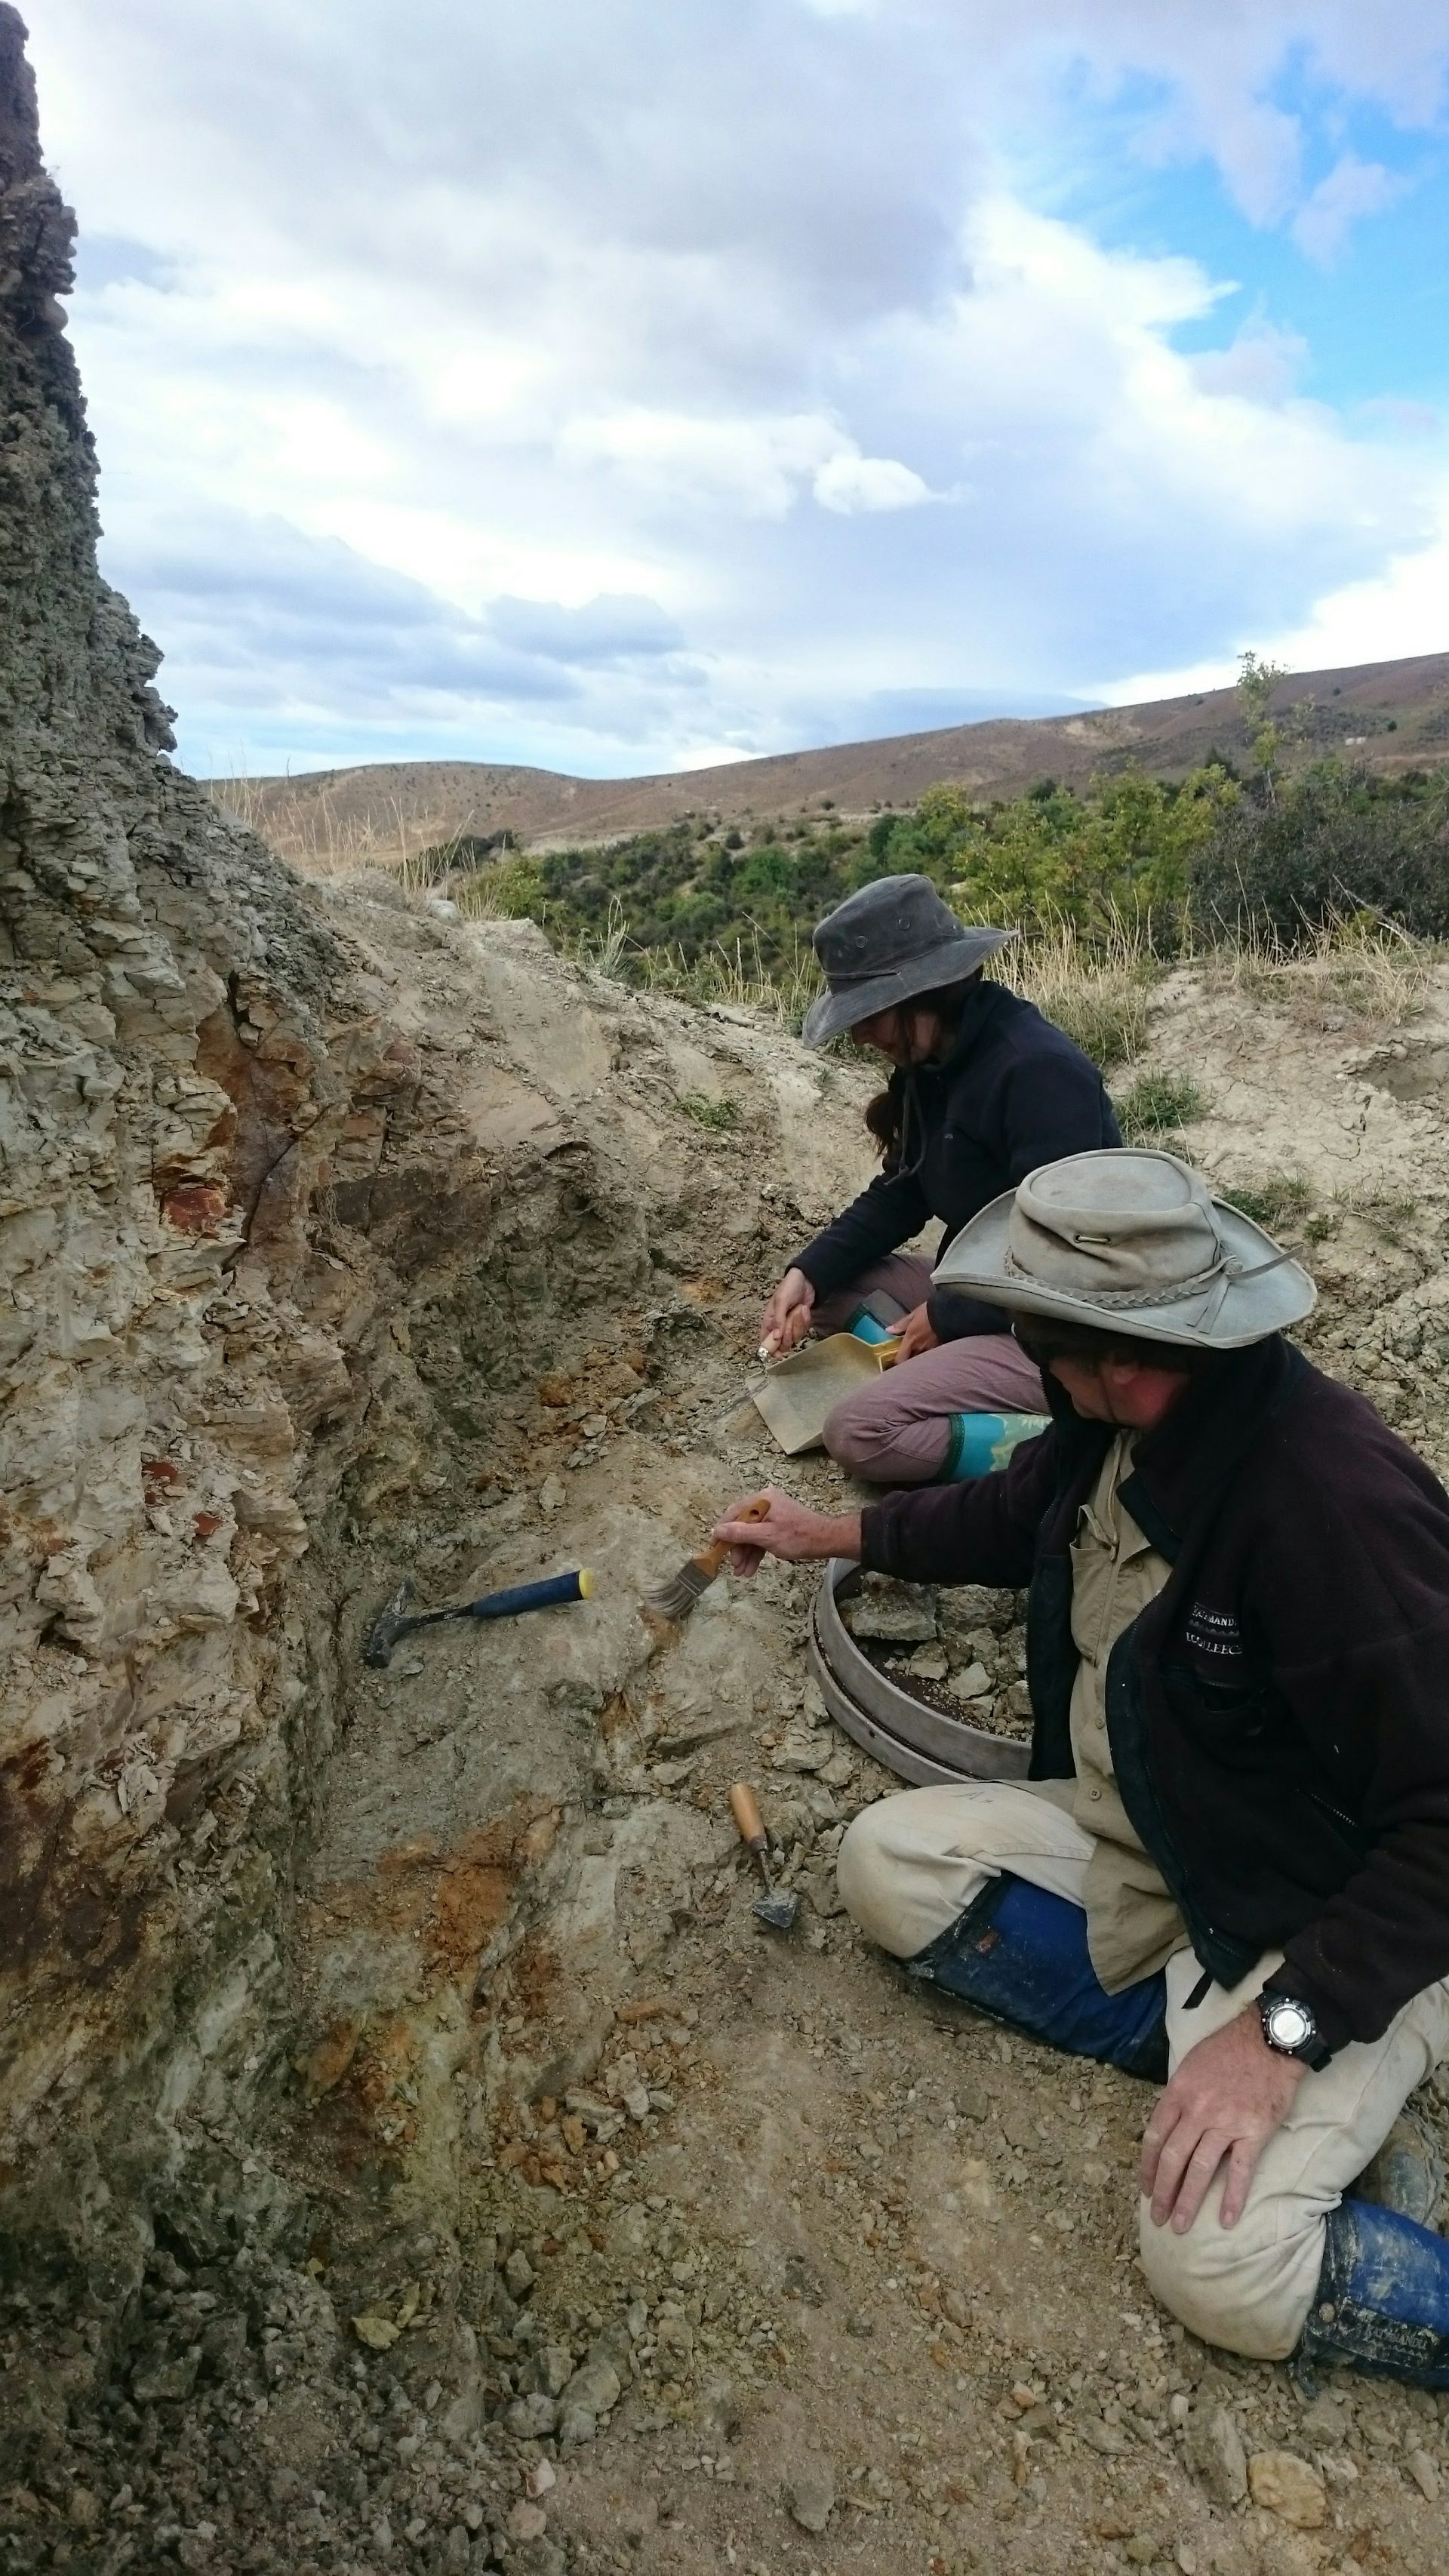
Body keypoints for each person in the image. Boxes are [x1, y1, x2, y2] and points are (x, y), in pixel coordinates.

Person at [717, 1148, 1449, 2383]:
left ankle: (1282, 2079)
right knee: (889, 1865)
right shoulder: (1126, 1427)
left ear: (1118, 1353)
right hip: (1171, 1841)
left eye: (1035, 1332)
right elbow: (1018, 1515)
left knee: (1213, 2262)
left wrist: (1277, 2035)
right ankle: (1205, 2056)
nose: (1025, 1350)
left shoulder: (1330, 1505)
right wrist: (832, 1533)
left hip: (1322, 1913)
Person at [762, 873, 1120, 1484]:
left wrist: (950, 1315)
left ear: (927, 992)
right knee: (833, 1292)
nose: (860, 1034)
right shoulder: (933, 1065)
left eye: (870, 1013)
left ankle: (1070, 1438)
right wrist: (808, 1270)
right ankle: (936, 1371)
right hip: (979, 1290)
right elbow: (905, 1190)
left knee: (859, 1432)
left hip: (1055, 1325)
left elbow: (1063, 1253)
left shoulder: (1037, 1072)